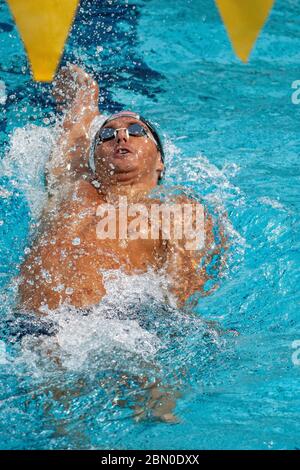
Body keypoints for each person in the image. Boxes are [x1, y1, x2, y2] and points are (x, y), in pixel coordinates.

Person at [18, 65, 225, 314]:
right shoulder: (75, 186)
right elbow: (73, 137)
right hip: (22, 326)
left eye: (136, 131)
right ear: (94, 156)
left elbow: (184, 289)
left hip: (103, 331)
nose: (121, 136)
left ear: (160, 161)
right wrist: (86, 91)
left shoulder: (176, 208)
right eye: (106, 134)